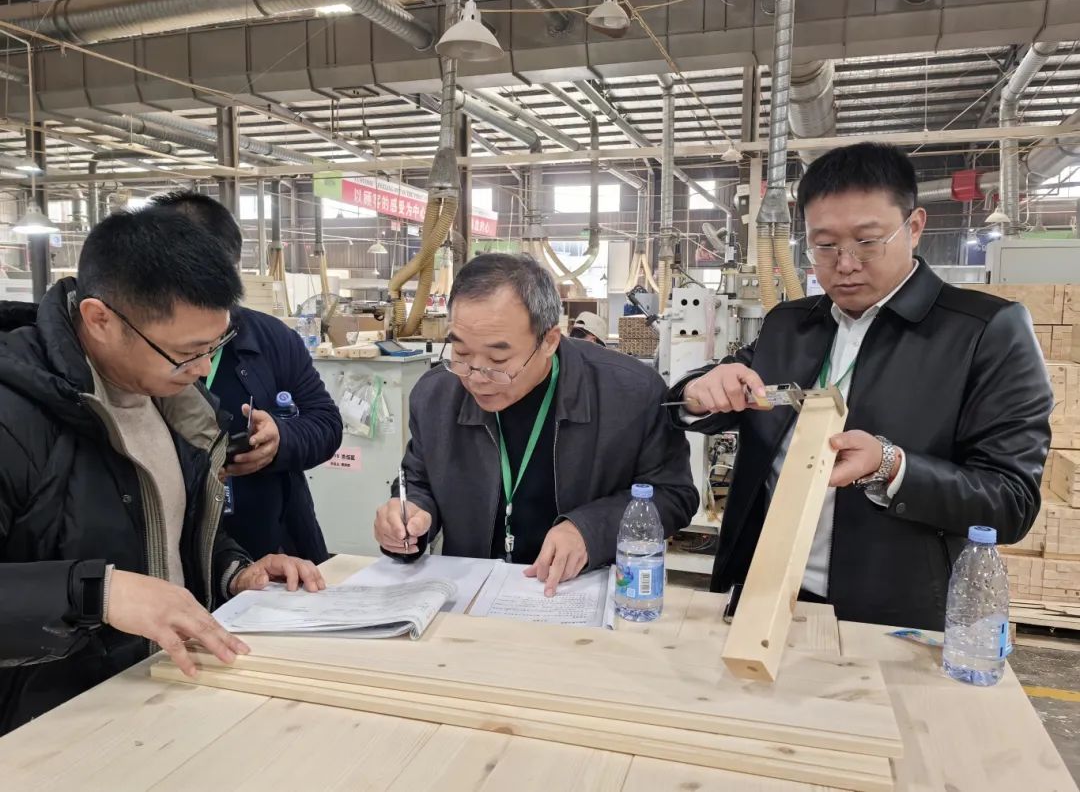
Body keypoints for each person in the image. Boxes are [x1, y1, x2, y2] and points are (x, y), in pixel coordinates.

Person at [668, 142, 1053, 630]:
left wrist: (891, 467)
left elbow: (1011, 502)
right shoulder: (789, 324)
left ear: (914, 227)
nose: (845, 264)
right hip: (761, 593)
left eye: (867, 241)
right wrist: (699, 391)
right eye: (825, 245)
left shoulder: (984, 331)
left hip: (892, 612)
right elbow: (703, 396)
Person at [0, 208, 325, 735]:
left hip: (161, 697)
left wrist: (233, 570)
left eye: (214, 347)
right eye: (186, 353)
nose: (203, 369)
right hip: (49, 727)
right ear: (99, 319)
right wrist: (97, 593)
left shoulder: (174, 403)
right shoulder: (13, 416)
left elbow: (168, 529)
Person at [373, 253, 697, 595]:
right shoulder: (436, 395)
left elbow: (673, 494)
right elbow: (418, 481)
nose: (476, 376)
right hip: (471, 594)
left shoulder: (630, 393)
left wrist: (590, 530)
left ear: (549, 341)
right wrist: (409, 515)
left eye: (498, 359)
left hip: (579, 590)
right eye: (462, 354)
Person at [149, 191, 343, 563]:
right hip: (168, 552)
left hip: (272, 548)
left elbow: (326, 424)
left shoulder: (271, 339)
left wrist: (281, 439)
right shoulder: (135, 352)